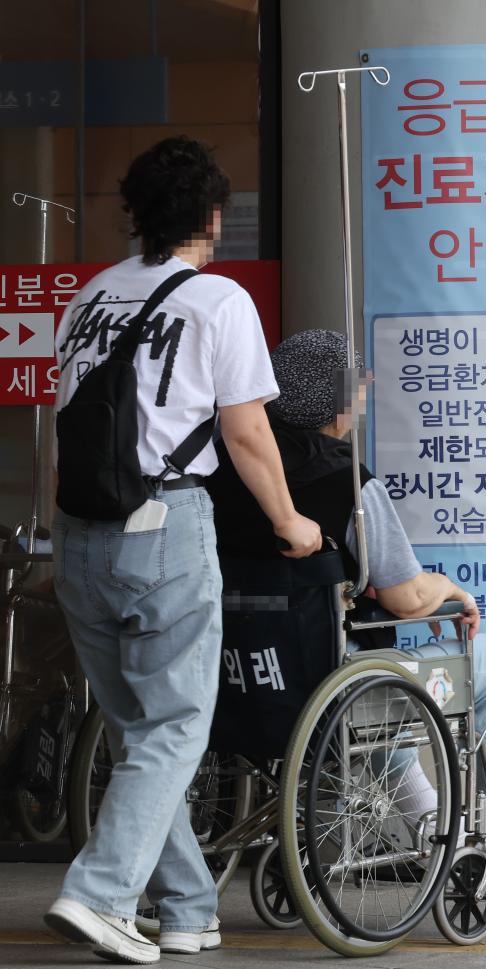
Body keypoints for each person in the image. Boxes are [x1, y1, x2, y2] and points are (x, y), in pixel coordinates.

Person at [45, 139, 321, 965]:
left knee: (140, 735)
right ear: (212, 218)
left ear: (136, 214)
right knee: (172, 727)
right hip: (163, 526)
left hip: (79, 534)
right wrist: (291, 519)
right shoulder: (217, 301)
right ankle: (100, 894)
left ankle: (191, 907)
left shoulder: (89, 297)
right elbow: (245, 432)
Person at [209, 328, 486, 861]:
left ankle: (424, 814)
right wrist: (453, 593)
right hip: (324, 681)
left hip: (235, 681)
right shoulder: (343, 480)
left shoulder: (218, 473)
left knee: (383, 674)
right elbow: (407, 597)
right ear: (337, 402)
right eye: (358, 392)